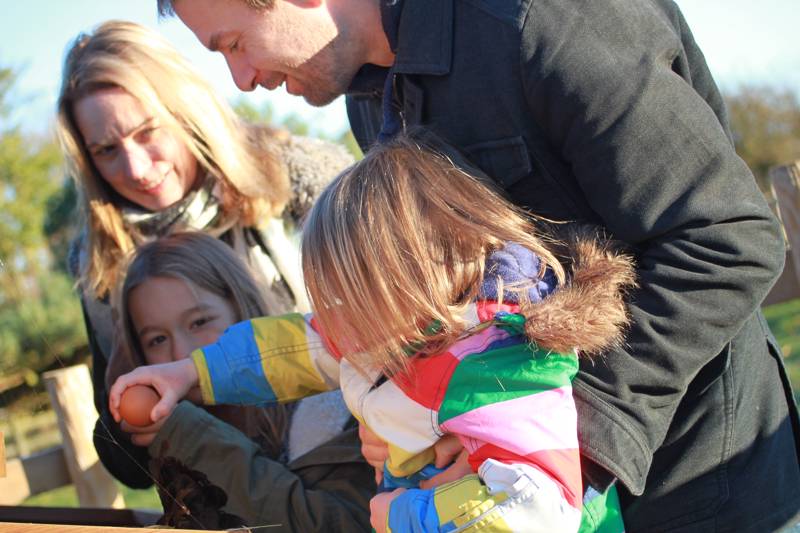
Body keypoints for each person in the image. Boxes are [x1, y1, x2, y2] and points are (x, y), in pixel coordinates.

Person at [155, 1, 800, 530]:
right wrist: (410, 416)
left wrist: (542, 433)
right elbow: (440, 304)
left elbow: (725, 241)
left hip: (700, 481)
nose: (241, 80)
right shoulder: (370, 102)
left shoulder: (544, 20)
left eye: (235, 43)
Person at [110, 134, 636, 532]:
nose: (339, 315)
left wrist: (404, 515)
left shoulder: (494, 368)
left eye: (349, 293)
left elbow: (537, 507)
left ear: (403, 276)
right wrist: (188, 373)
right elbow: (295, 348)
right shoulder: (396, 326)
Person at [55, 19, 361, 497]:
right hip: (217, 497)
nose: (135, 168)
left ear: (185, 111)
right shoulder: (99, 260)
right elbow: (126, 457)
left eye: (146, 132)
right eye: (106, 150)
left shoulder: (301, 184)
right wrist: (137, 428)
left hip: (351, 469)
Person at [110, 231, 371, 529]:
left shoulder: (333, 413)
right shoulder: (170, 434)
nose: (181, 352)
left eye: (199, 322)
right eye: (157, 339)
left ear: (243, 309)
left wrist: (194, 438)